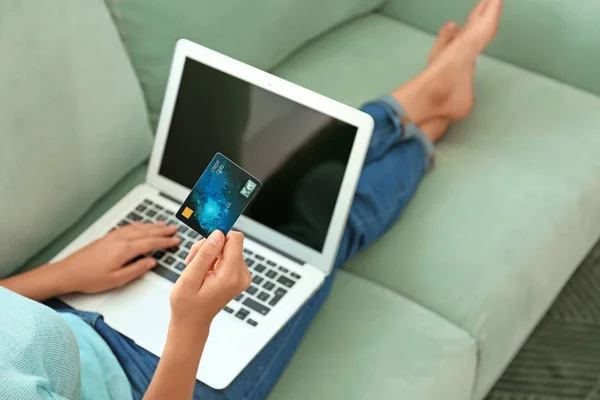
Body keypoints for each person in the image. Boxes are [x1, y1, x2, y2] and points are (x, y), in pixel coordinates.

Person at [0, 0, 503, 398]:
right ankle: (424, 125)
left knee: (253, 178)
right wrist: (192, 324)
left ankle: (421, 104)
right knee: (314, 231)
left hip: (70, 309)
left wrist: (65, 274)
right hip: (151, 380)